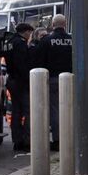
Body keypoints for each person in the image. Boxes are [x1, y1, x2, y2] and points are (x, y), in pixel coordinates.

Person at [37, 15, 71, 151]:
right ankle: (70, 137)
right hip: (69, 79)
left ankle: (57, 140)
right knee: (69, 109)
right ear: (65, 24)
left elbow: (39, 60)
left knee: (55, 110)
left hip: (51, 79)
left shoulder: (47, 40)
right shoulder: (72, 39)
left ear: (52, 24)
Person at [4, 23, 34, 152]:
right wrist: (29, 79)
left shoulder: (9, 42)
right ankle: (26, 140)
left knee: (16, 112)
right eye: (30, 33)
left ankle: (17, 140)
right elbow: (22, 64)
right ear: (26, 32)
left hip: (12, 80)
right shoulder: (20, 44)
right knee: (28, 110)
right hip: (21, 81)